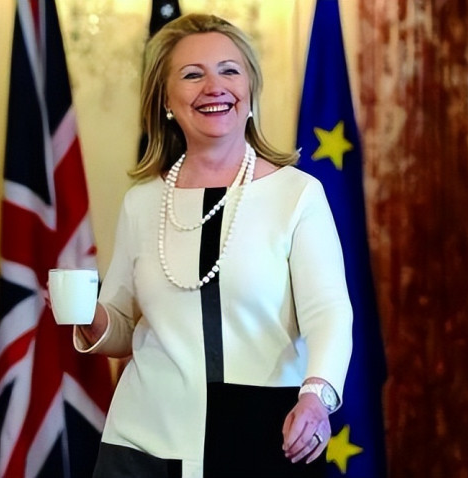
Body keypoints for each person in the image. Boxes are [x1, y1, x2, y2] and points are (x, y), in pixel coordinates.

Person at [70, 13, 352, 478]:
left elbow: (329, 313)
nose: (214, 87)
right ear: (165, 99)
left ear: (250, 88)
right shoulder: (142, 202)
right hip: (143, 438)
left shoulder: (297, 194)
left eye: (229, 70)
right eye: (192, 74)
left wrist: (317, 396)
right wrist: (85, 315)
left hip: (262, 433)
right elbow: (122, 326)